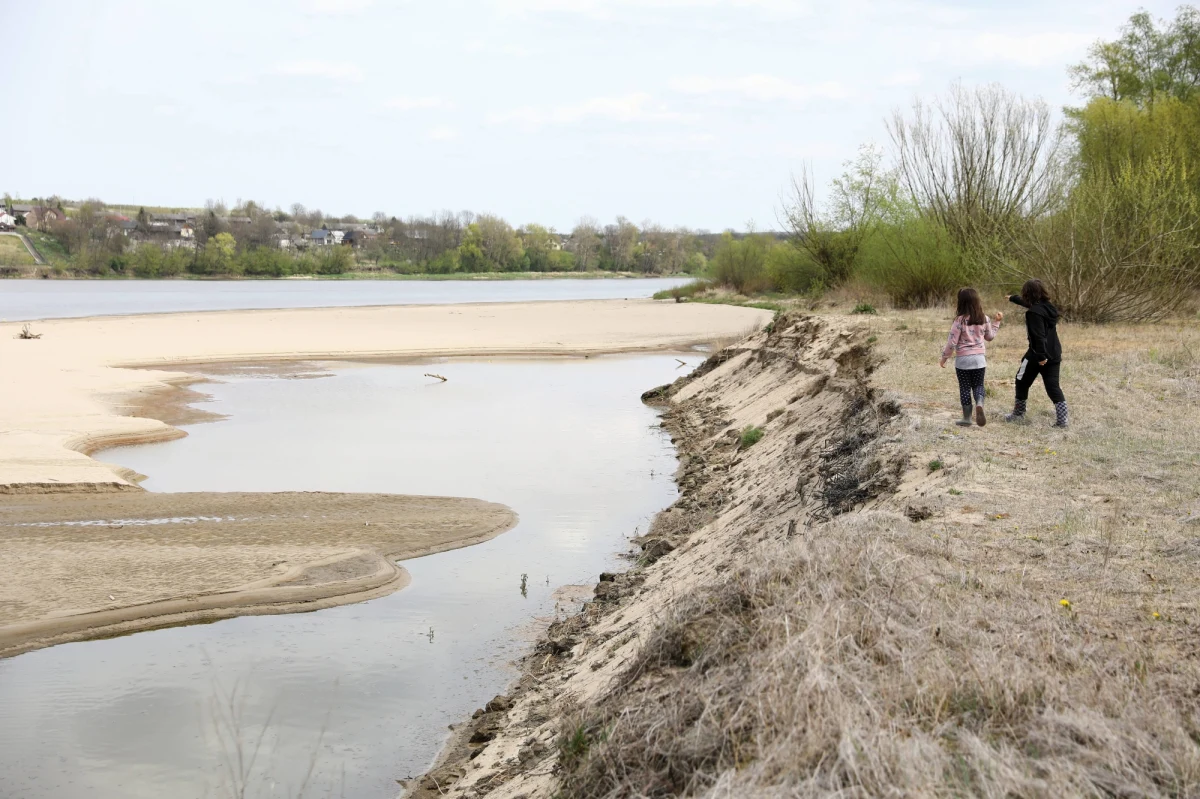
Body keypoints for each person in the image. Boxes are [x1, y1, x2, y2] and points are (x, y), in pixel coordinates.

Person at [1005, 278, 1068, 428]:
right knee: (1053, 386)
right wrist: (1013, 298)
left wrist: (1041, 356)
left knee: (1021, 380)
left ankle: (1018, 414)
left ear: (1027, 293)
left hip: (1037, 354)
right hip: (1054, 353)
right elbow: (1030, 304)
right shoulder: (1048, 308)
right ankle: (1062, 421)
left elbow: (1038, 336)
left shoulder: (1033, 313)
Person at [940, 287, 1002, 427]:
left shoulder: (959, 320)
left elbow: (952, 342)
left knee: (964, 387)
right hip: (979, 360)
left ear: (961, 302)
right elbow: (990, 337)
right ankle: (979, 402)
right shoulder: (984, 318)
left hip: (963, 360)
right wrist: (996, 322)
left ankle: (967, 418)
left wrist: (944, 357)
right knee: (978, 385)